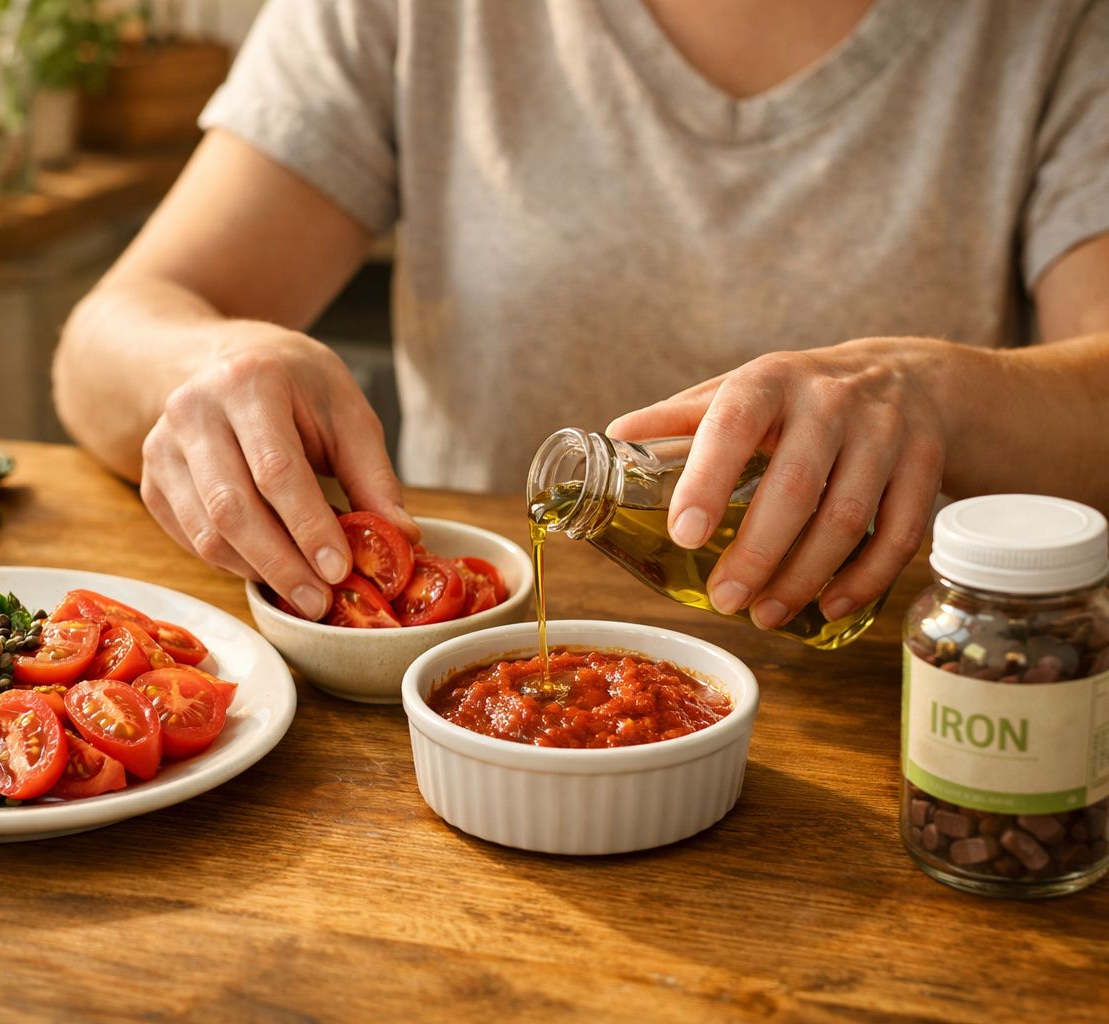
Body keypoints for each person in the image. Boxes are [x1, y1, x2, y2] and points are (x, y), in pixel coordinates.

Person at [54, 0, 1109, 629]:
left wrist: (939, 395)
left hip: (888, 681)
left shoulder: (1055, 26)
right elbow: (109, 338)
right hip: (450, 685)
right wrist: (217, 356)